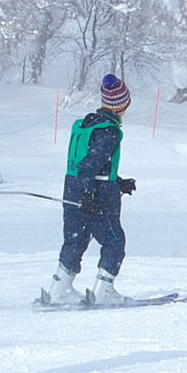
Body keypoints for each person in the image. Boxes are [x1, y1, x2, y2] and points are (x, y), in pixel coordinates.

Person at [47, 74, 138, 304]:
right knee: (114, 240)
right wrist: (89, 194)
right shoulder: (110, 131)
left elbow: (90, 165)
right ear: (122, 105)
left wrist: (118, 181)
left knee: (76, 239)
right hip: (95, 196)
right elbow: (90, 164)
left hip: (72, 190)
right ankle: (104, 289)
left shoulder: (87, 124)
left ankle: (60, 287)